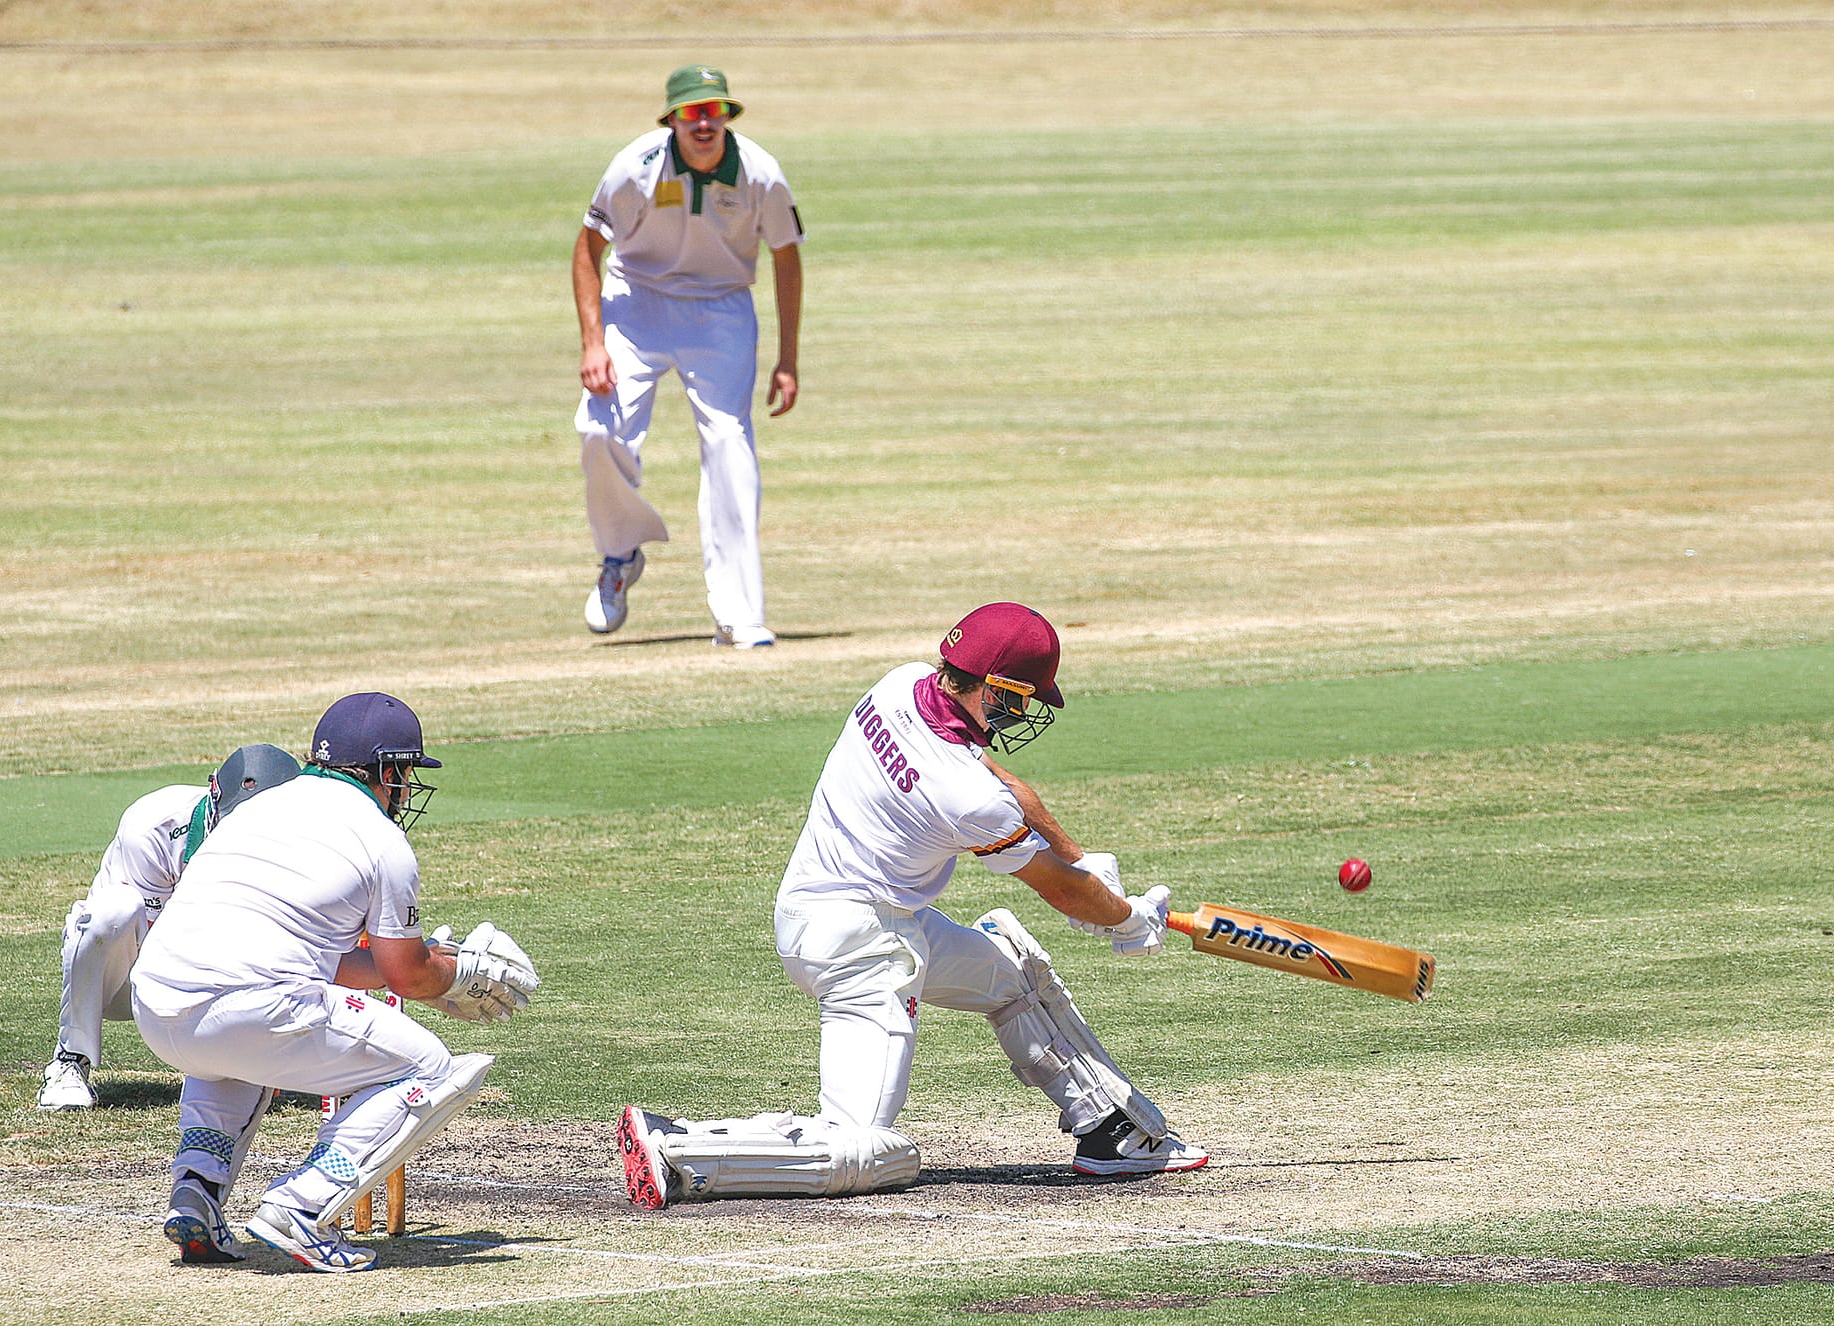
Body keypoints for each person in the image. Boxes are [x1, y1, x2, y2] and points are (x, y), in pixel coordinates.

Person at [616, 603, 1206, 1208]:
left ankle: (1112, 1132)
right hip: (863, 950)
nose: (1022, 715)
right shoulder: (966, 798)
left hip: (846, 916)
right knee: (868, 1150)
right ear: (996, 690)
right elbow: (1056, 889)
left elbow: (1005, 788)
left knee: (1012, 979)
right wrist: (1126, 916)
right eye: (1022, 700)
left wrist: (1079, 860)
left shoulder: (902, 683)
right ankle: (679, 1152)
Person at [130, 692, 540, 1272]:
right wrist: (458, 974)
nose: (405, 788)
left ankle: (196, 1194)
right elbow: (407, 975)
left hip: (159, 1002)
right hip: (253, 1003)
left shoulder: (259, 808)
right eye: (404, 772)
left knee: (236, 1056)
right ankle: (300, 1207)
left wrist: (435, 965)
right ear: (388, 770)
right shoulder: (381, 841)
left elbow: (327, 956)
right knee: (431, 1068)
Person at [572, 62, 805, 649]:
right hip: (637, 301)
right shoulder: (636, 167)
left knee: (730, 442)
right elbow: (587, 247)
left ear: (727, 115)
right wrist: (594, 342)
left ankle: (741, 615)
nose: (704, 123)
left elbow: (786, 257)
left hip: (720, 308)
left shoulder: (761, 173)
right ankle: (619, 554)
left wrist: (788, 358)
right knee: (600, 432)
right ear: (672, 119)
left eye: (714, 111)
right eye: (692, 112)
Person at [36, 743, 303, 1111]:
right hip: (123, 976)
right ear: (214, 795)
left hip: (223, 972)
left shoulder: (299, 840)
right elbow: (161, 946)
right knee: (113, 911)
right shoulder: (153, 824)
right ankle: (69, 1061)